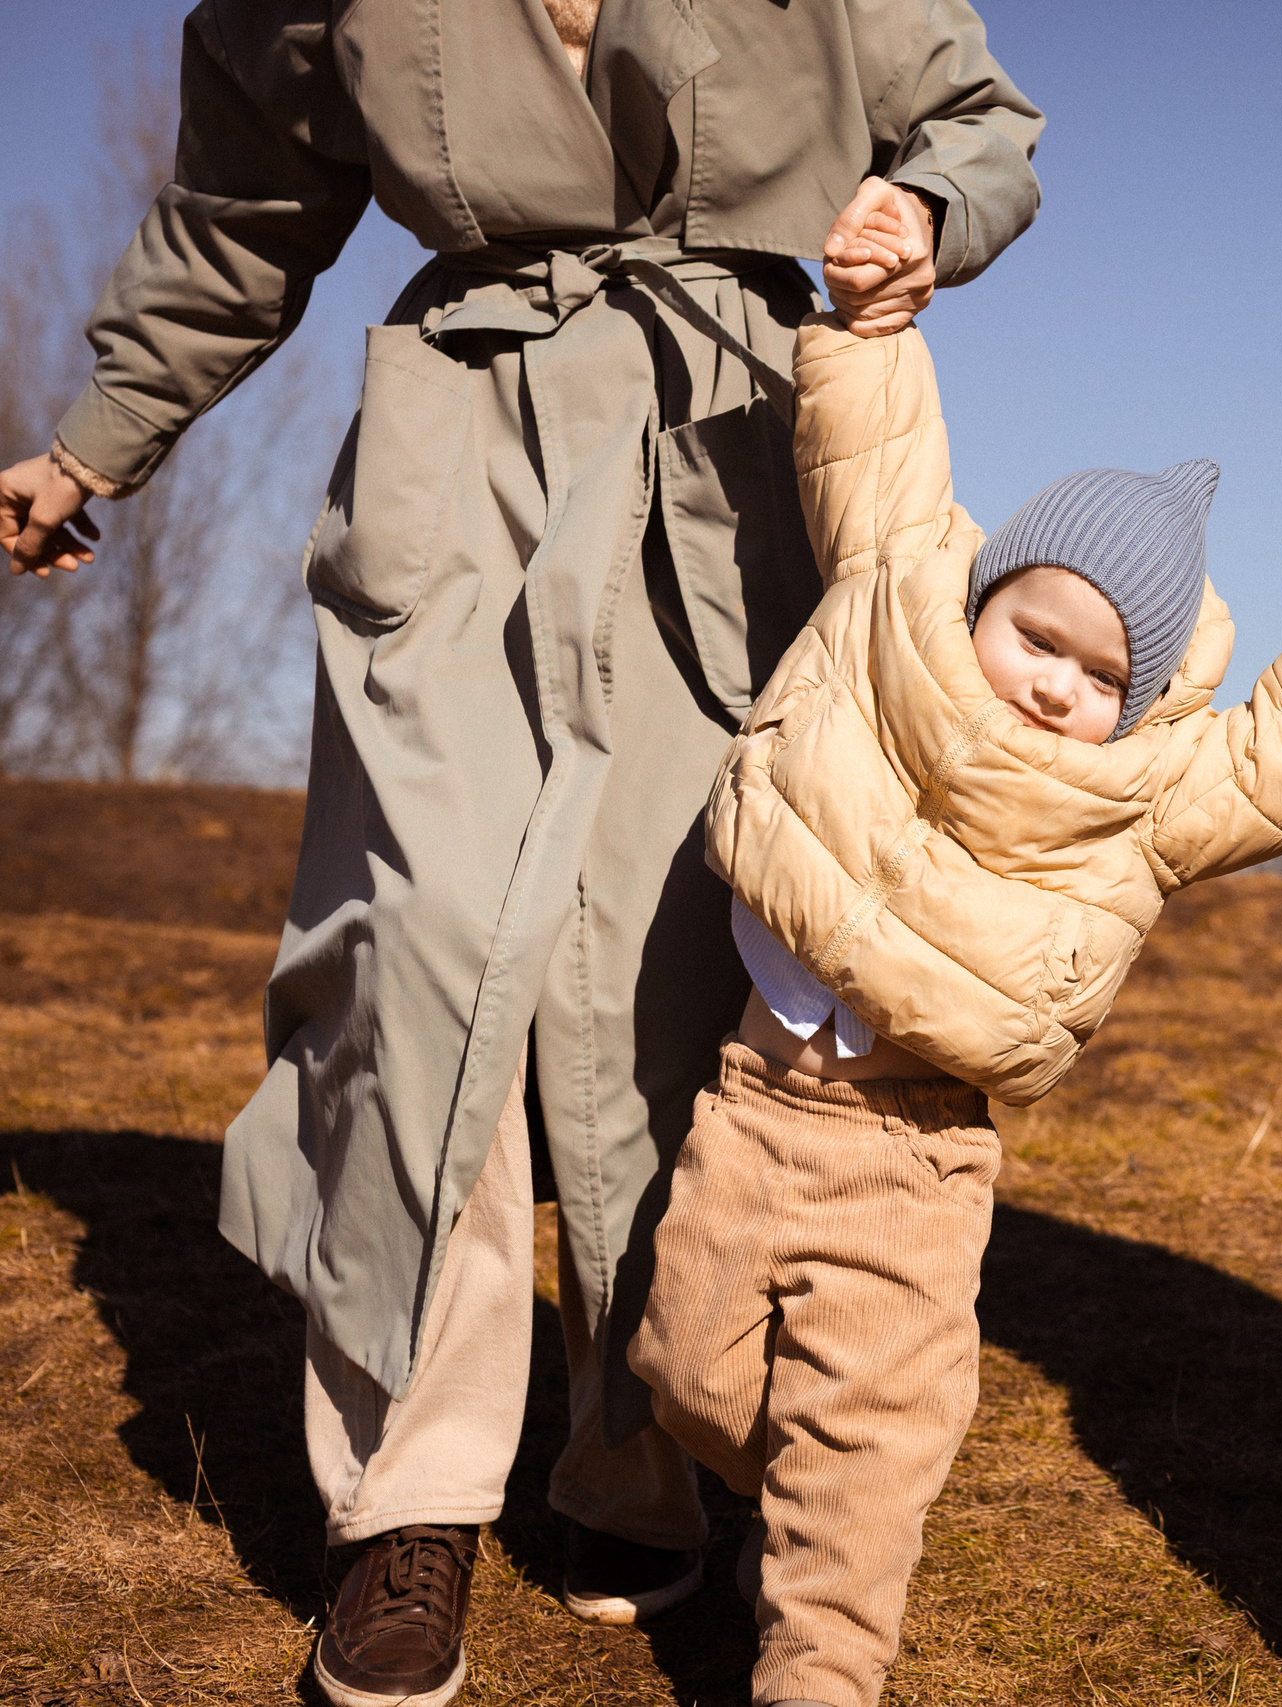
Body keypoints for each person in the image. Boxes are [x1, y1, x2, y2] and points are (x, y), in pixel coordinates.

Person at [0, 6, 1040, 1706]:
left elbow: (976, 123)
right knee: (418, 949)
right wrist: (99, 434)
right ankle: (410, 1500)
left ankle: (634, 1453)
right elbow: (249, 208)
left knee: (663, 971)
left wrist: (924, 209)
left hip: (730, 455)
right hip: (460, 447)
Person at [628, 318, 1282, 1707]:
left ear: (1143, 701)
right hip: (746, 1110)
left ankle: (828, 1633)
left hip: (912, 1163)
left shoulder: (1145, 796)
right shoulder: (889, 614)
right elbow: (873, 457)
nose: (1057, 684)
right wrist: (867, 327)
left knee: (853, 1473)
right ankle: (826, 1496)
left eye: (1104, 678)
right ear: (982, 599)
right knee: (678, 1368)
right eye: (1039, 637)